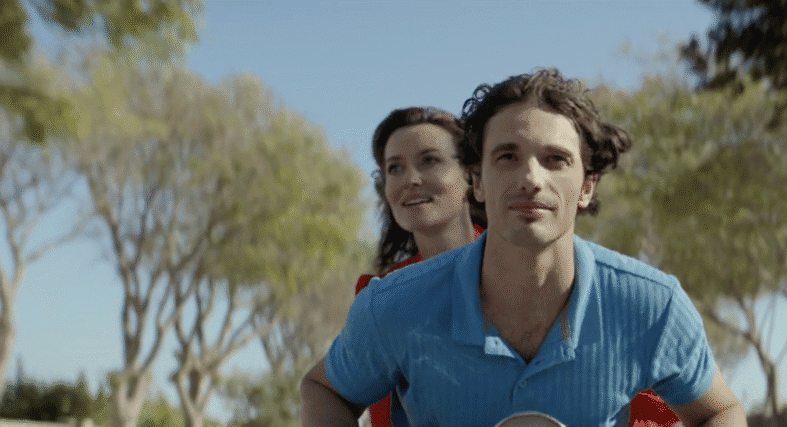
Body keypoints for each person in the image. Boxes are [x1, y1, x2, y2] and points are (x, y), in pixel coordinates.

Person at [301, 69, 747, 426]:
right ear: (476, 180)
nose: (531, 178)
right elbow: (326, 391)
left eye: (556, 159)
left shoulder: (654, 306)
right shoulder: (392, 307)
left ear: (587, 185)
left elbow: (719, 411)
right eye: (507, 156)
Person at [356, 106, 485, 427]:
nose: (410, 180)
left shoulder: (521, 265)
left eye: (429, 161)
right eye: (395, 168)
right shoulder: (378, 295)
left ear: (471, 174)